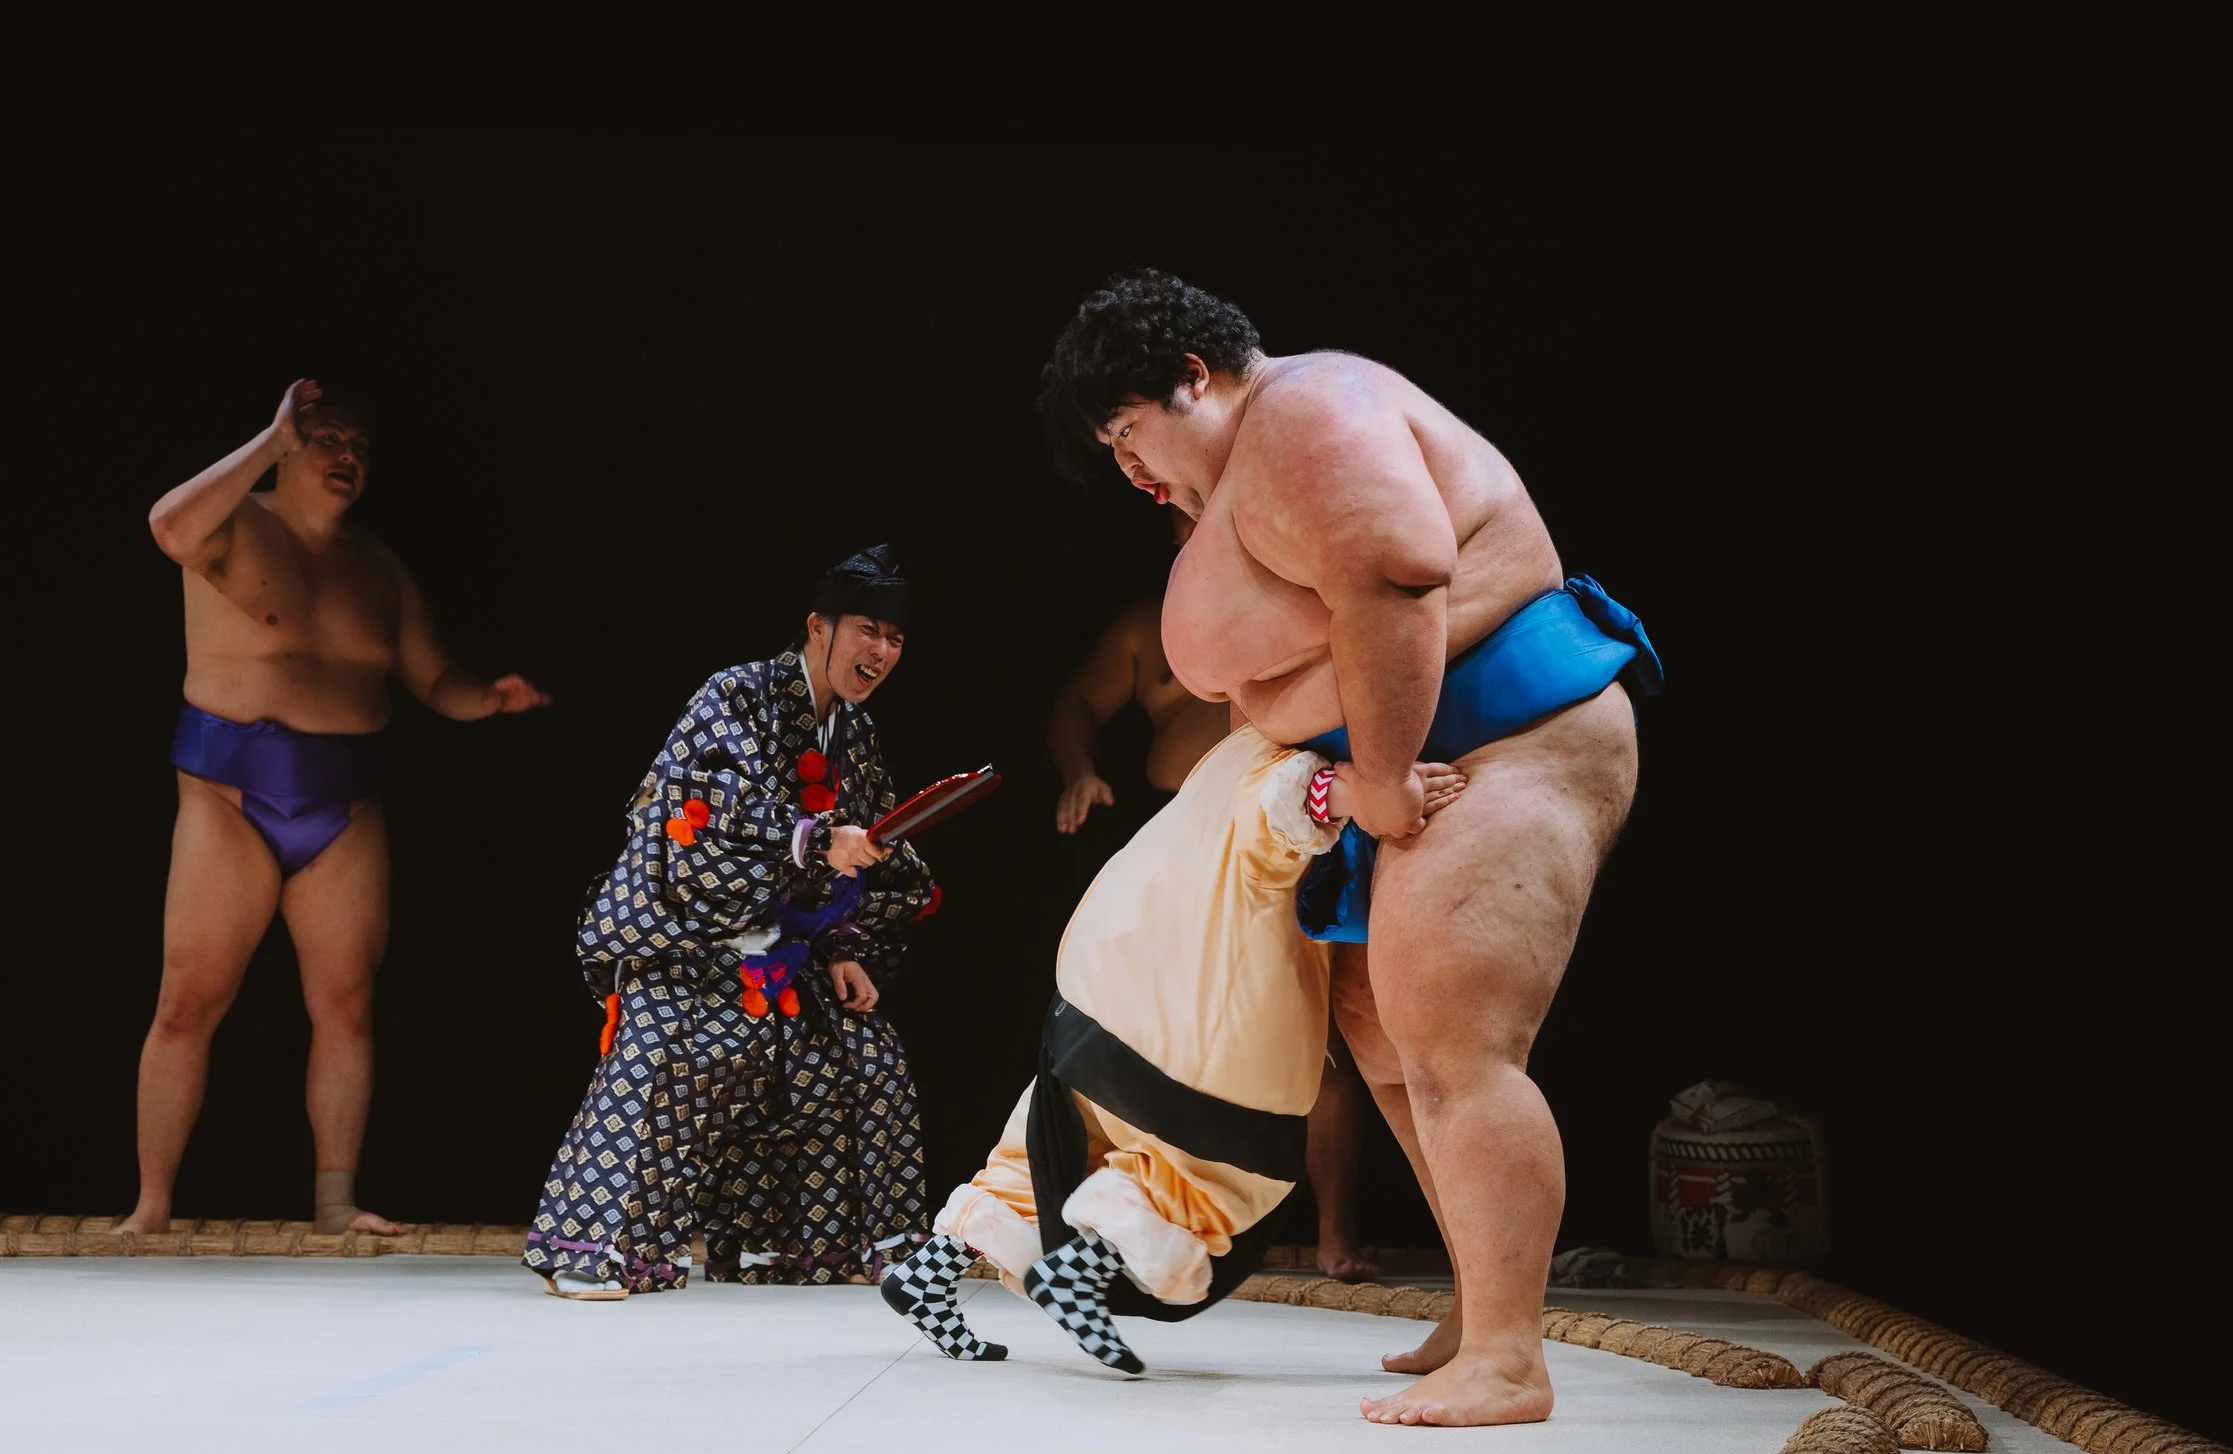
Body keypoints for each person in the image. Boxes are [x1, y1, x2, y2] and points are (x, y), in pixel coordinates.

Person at [1040, 272, 1661, 1425]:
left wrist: (1374, 779)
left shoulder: (1308, 413)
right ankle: (1478, 1308)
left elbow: (1395, 576)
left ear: (1193, 376)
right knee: (1380, 1038)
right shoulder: (1254, 460)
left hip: (1500, 735)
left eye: (1128, 428)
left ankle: (1512, 1359)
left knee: (1453, 1043)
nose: (1127, 465)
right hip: (1408, 758)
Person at [883, 718, 1462, 1371]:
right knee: (1225, 1168)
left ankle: (929, 1274)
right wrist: (1387, 792)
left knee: (1059, 1140)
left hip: (1096, 984)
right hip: (1181, 1018)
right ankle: (1082, 1268)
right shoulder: (1284, 759)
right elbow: (1295, 797)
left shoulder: (1229, 746)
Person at [125, 379, 551, 1238]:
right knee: (187, 1000)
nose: (347, 456)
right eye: (326, 439)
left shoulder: (379, 567)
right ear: (286, 446)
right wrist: (270, 435)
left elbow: (431, 678)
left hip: (343, 807)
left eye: (359, 446)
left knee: (347, 1003)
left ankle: (335, 1202)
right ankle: (152, 1204)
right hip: (226, 796)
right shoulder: (233, 523)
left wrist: (487, 700)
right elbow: (165, 525)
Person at [522, 549, 937, 1297]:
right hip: (682, 935)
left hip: (779, 953)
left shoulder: (855, 734)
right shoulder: (733, 695)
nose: (881, 651)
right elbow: (701, 809)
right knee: (684, 1048)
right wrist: (810, 837)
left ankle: (782, 1247)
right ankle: (593, 1249)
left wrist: (839, 943)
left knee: (862, 1057)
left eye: (896, 639)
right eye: (868, 630)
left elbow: (857, 847)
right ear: (819, 626)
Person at [1048, 505, 1377, 1281]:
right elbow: (1074, 705)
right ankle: (1110, 1211)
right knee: (1143, 1035)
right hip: (1186, 839)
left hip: (1292, 818)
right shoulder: (1148, 629)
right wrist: (1078, 772)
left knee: (1317, 1043)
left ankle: (1334, 1233)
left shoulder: (1297, 613)